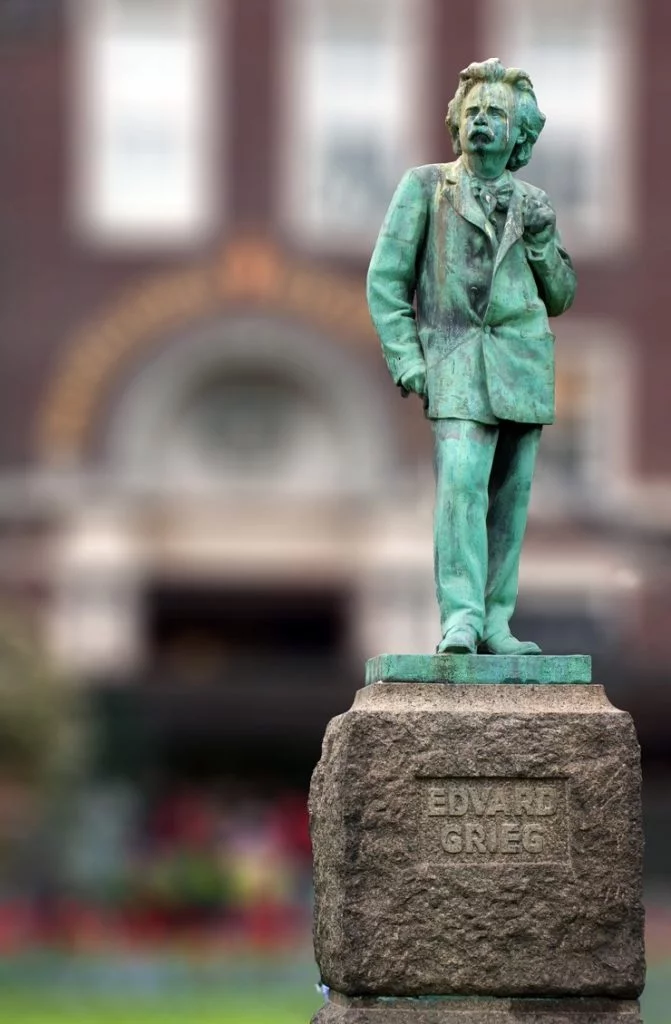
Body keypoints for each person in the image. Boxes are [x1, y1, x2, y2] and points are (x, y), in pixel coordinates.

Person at [367, 58, 576, 655]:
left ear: (520, 136)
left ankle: (496, 624)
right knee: (461, 485)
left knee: (510, 499)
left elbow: (560, 295)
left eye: (497, 115)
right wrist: (409, 361)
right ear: (457, 126)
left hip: (522, 366)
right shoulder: (424, 187)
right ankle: (460, 618)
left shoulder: (535, 203)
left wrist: (539, 240)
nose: (482, 123)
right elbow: (386, 281)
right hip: (453, 358)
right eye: (474, 114)